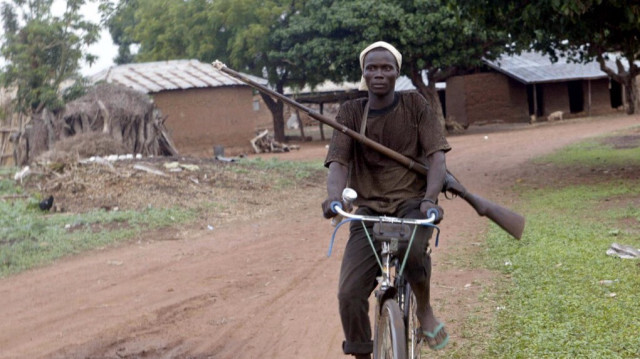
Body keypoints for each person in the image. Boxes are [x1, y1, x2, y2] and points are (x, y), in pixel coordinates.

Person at [322, 41, 451, 359]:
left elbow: (436, 158)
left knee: (414, 252)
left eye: (386, 67)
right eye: (372, 68)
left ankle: (424, 308)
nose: (378, 73)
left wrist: (430, 199)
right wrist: (334, 198)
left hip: (411, 204)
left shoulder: (415, 105)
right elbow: (339, 162)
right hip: (368, 210)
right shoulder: (352, 111)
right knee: (349, 293)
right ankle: (363, 352)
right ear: (363, 73)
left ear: (397, 72)